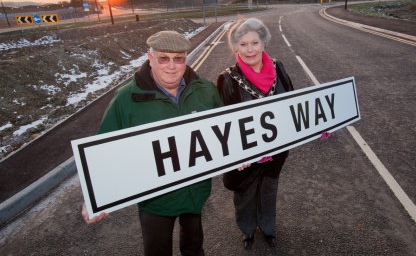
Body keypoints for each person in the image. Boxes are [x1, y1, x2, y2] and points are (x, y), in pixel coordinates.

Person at [81, 30, 222, 256]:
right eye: (163, 58)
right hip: (156, 201)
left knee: (194, 247)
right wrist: (95, 196)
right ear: (150, 58)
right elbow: (104, 149)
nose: (171, 66)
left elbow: (226, 131)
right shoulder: (126, 98)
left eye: (179, 59)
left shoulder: (205, 89)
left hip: (196, 190)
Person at [216, 18, 294, 250]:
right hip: (246, 155)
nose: (249, 50)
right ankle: (247, 230)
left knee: (269, 190)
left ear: (264, 44)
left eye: (254, 43)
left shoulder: (279, 68)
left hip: (276, 149)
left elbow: (293, 101)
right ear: (235, 47)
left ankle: (268, 228)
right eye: (243, 44)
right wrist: (235, 156)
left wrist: (316, 125)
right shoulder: (228, 79)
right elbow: (222, 123)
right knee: (246, 193)